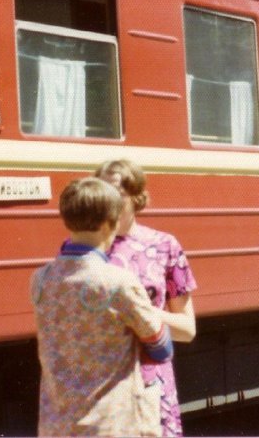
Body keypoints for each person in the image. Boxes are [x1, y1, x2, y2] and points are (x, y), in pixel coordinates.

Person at [32, 177, 174, 437]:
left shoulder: (40, 280)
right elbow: (162, 347)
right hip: (110, 425)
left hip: (56, 425)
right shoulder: (118, 282)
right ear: (110, 224)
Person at [95, 159, 197, 437]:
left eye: (118, 195)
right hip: (100, 387)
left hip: (150, 385)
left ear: (136, 197)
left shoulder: (164, 246)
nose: (108, 204)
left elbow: (187, 330)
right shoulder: (86, 250)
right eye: (102, 194)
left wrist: (136, 309)